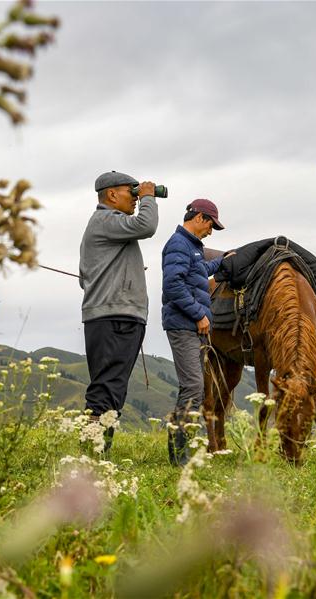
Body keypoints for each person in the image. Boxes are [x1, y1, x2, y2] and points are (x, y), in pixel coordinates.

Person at [79, 171, 159, 452]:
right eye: (131, 192)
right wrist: (149, 195)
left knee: (111, 385)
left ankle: (96, 452)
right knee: (108, 386)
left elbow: (83, 277)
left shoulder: (102, 226)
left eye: (138, 194)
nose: (136, 199)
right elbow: (147, 226)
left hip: (110, 316)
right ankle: (93, 454)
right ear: (111, 195)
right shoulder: (106, 219)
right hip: (115, 317)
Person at [161, 198, 229, 466]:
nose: (211, 231)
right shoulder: (179, 244)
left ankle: (181, 451)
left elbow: (199, 271)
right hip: (183, 325)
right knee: (192, 387)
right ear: (199, 218)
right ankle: (178, 456)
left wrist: (223, 260)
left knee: (195, 388)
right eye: (211, 225)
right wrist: (199, 314)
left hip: (189, 326)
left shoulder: (191, 247)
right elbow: (174, 285)